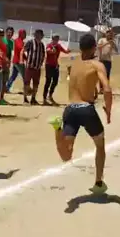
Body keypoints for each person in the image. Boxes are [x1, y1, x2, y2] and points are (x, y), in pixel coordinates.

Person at [47, 33, 112, 195]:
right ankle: (98, 182)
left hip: (70, 109)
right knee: (100, 145)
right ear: (94, 48)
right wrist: (108, 111)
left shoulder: (74, 64)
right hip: (86, 109)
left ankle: (57, 128)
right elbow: (107, 89)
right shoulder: (97, 65)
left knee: (66, 155)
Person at [43, 34, 70, 105]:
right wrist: (52, 51)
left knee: (55, 81)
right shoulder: (49, 45)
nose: (57, 40)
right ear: (52, 39)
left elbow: (65, 51)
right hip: (49, 65)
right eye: (55, 39)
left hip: (55, 65)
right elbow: (48, 51)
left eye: (57, 39)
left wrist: (68, 51)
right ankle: (44, 98)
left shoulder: (58, 46)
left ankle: (50, 95)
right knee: (48, 81)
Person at [23, 29, 46, 105]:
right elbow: (23, 51)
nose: (39, 36)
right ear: (35, 35)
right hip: (30, 67)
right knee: (27, 83)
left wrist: (41, 63)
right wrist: (25, 60)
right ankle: (25, 99)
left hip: (37, 68)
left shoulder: (42, 45)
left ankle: (33, 99)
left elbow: (43, 55)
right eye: (37, 34)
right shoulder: (30, 42)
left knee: (36, 84)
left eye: (40, 35)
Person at [0, 27, 15, 106]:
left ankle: (1, 99)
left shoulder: (11, 42)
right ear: (6, 33)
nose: (9, 34)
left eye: (11, 33)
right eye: (8, 32)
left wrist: (9, 63)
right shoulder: (2, 40)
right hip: (0, 64)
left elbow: (9, 54)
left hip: (7, 65)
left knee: (4, 82)